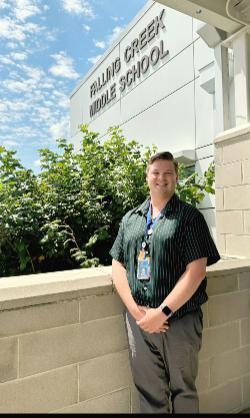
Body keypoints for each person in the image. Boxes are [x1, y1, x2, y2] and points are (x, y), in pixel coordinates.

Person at [110, 151, 220, 414]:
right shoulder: (130, 219)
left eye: (168, 173)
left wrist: (162, 313)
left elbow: (196, 271)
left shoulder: (190, 217)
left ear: (176, 177)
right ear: (147, 177)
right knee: (149, 394)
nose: (162, 178)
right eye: (156, 173)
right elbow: (117, 266)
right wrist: (139, 313)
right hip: (140, 323)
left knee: (183, 391)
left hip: (179, 320)